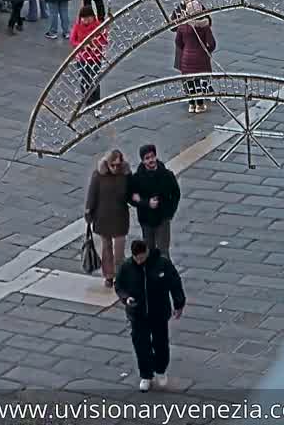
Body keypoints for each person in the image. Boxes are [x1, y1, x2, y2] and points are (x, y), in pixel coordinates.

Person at [115, 238, 186, 391]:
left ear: (146, 252)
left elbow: (174, 282)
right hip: (137, 313)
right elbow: (119, 285)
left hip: (159, 312)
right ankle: (146, 375)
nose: (139, 261)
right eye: (136, 258)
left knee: (161, 343)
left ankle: (160, 370)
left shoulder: (162, 264)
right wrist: (126, 298)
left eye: (141, 257)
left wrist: (179, 303)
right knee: (141, 345)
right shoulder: (127, 267)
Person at [85, 149, 131, 289]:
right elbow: (92, 195)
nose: (115, 168)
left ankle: (120, 275)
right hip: (103, 218)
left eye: (118, 165)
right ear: (108, 163)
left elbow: (132, 192)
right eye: (113, 165)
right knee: (106, 249)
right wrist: (88, 212)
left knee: (119, 252)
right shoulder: (98, 175)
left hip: (120, 218)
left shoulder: (126, 175)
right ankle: (109, 276)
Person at [127, 145, 181, 258]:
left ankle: (167, 274)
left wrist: (170, 212)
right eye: (147, 158)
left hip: (163, 218)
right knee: (148, 251)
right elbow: (131, 197)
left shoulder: (166, 175)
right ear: (142, 160)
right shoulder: (137, 178)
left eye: (152, 156)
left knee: (163, 252)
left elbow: (176, 194)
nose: (151, 160)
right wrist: (146, 203)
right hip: (146, 220)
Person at [174, 3, 216, 113]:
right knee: (199, 81)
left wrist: (185, 50)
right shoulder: (204, 26)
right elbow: (211, 43)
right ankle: (200, 105)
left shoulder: (182, 26)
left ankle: (191, 105)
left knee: (189, 82)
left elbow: (178, 42)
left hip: (186, 58)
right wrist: (207, 51)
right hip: (201, 58)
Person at [69, 0, 107, 102]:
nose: (85, 20)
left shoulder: (98, 26)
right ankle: (86, 101)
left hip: (95, 58)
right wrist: (82, 45)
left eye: (88, 17)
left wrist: (93, 44)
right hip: (82, 58)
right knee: (84, 80)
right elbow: (72, 40)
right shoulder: (77, 26)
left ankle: (96, 101)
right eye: (83, 17)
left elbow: (103, 39)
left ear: (92, 17)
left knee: (94, 81)